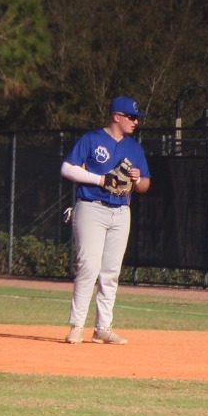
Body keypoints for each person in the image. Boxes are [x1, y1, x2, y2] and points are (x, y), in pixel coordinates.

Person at [58, 95, 151, 345]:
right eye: (131, 117)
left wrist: (137, 179)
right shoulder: (91, 139)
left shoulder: (135, 148)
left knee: (111, 272)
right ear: (116, 116)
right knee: (88, 267)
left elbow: (145, 185)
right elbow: (67, 168)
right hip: (91, 208)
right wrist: (99, 179)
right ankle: (77, 326)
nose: (135, 121)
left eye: (137, 118)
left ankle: (103, 328)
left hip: (121, 211)